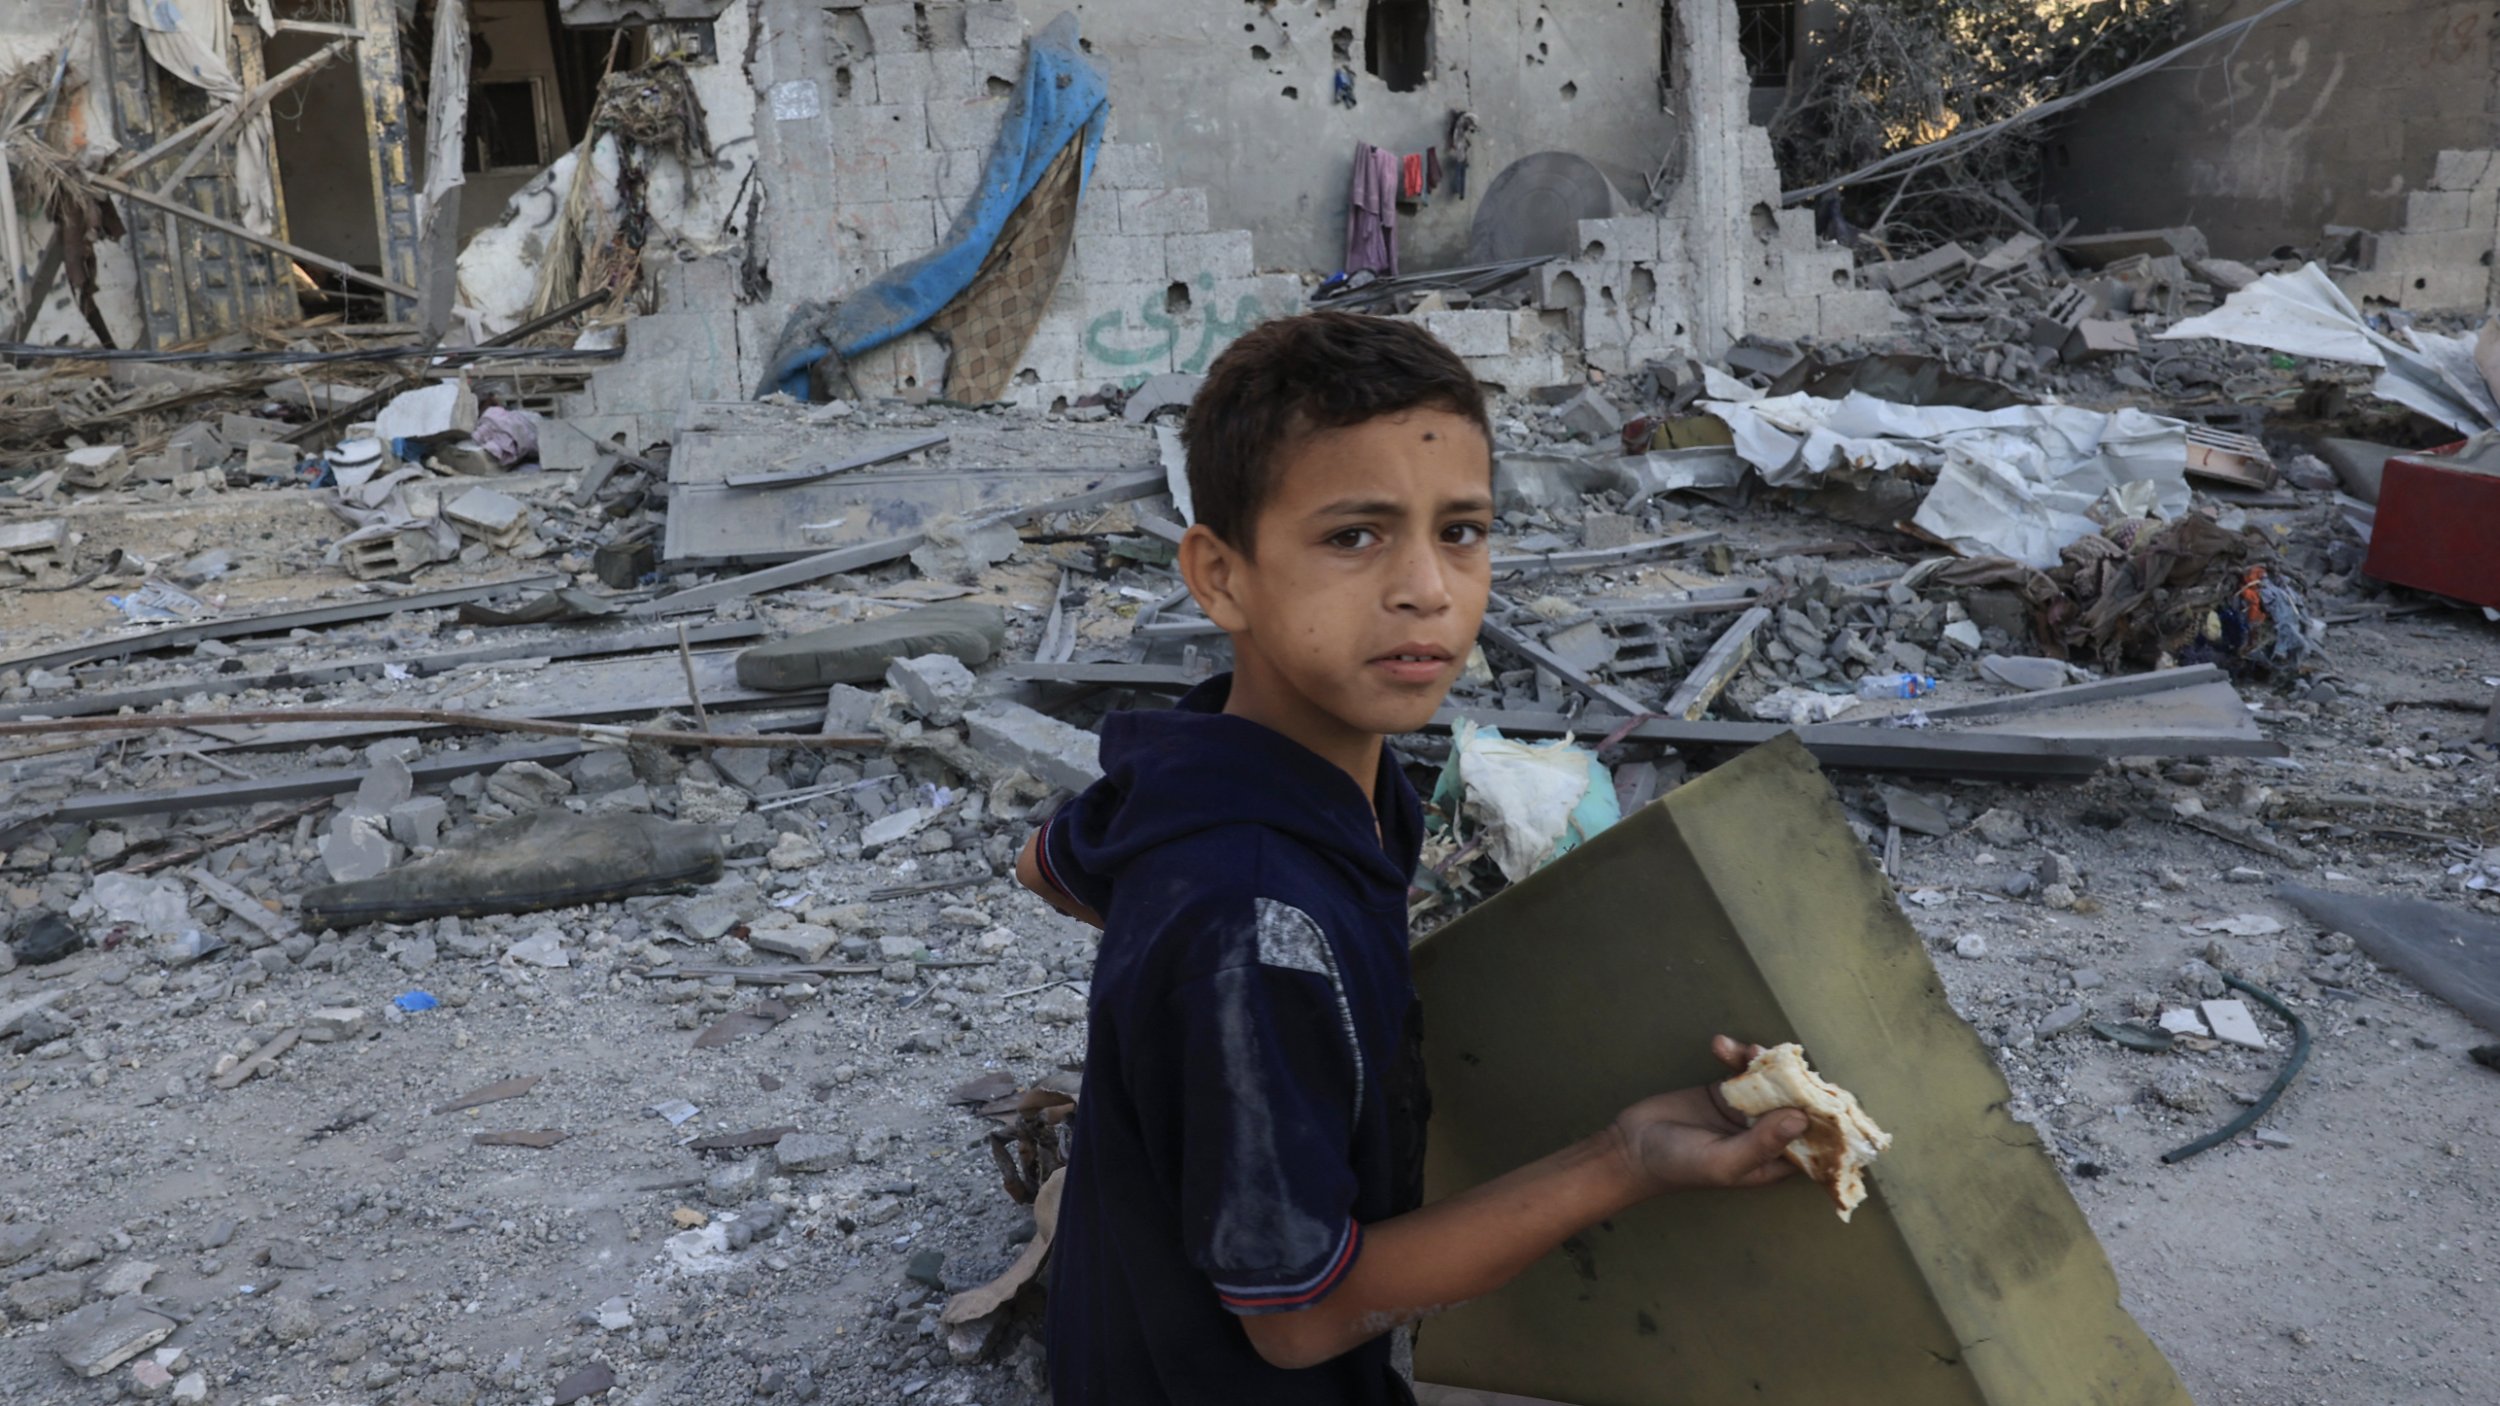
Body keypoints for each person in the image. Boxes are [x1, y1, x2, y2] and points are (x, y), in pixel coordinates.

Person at [1016, 312, 1808, 1404]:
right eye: (1355, 535)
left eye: (1463, 531)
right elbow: (1299, 1320)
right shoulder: (1257, 930)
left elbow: (1045, 862)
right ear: (1221, 575)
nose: (1428, 589)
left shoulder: (1234, 765)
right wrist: (1618, 1159)